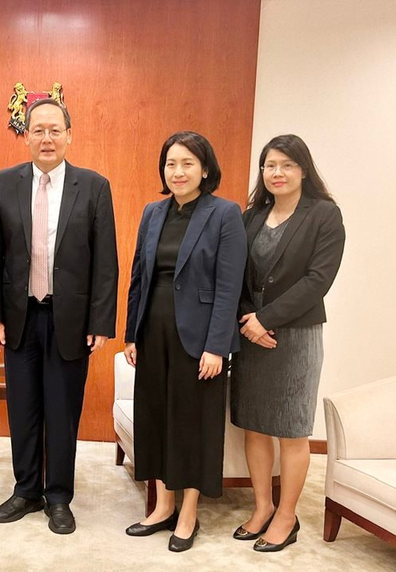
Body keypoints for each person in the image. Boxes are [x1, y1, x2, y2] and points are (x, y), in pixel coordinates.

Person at [0, 98, 118, 535]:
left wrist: (100, 323)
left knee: (63, 412)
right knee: (23, 410)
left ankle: (58, 496)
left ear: (69, 135)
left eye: (54, 129)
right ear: (26, 137)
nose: (46, 137)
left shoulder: (94, 186)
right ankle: (25, 490)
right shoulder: (4, 183)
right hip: (20, 317)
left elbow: (106, 261)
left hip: (71, 321)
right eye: (38, 130)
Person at [124, 131, 246, 552]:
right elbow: (139, 275)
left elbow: (229, 286)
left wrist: (217, 345)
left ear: (205, 169)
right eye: (171, 163)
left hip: (199, 340)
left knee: (192, 424)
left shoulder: (225, 214)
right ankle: (162, 505)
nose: (178, 171)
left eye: (187, 163)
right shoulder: (152, 212)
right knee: (155, 417)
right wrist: (130, 333)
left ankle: (189, 512)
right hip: (152, 331)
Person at [230, 134, 345, 552]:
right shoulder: (252, 215)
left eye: (286, 165)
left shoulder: (324, 215)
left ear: (303, 170)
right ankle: (262, 507)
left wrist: (265, 318)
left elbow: (318, 280)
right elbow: (235, 272)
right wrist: (248, 319)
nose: (277, 173)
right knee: (255, 425)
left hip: (295, 335)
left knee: (292, 430)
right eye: (269, 165)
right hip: (250, 332)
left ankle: (286, 515)